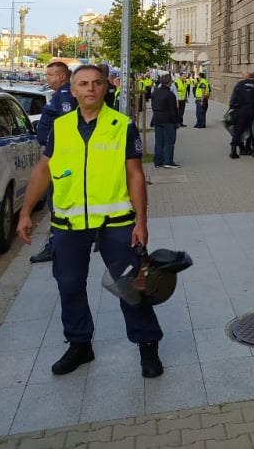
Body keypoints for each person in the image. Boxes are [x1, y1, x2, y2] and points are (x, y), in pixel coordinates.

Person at [16, 64, 164, 379]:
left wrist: (141, 221)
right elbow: (44, 170)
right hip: (70, 225)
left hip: (116, 222)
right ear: (72, 90)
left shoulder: (121, 125)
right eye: (83, 84)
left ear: (105, 88)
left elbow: (135, 175)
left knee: (130, 286)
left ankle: (147, 345)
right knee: (69, 286)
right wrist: (26, 212)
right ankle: (80, 344)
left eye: (97, 83)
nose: (91, 89)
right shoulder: (61, 126)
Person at [29, 61, 79, 264]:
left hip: (59, 158)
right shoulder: (61, 95)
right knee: (56, 203)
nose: (47, 78)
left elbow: (67, 128)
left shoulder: (66, 96)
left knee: (56, 204)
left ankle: (55, 247)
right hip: (57, 156)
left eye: (50, 75)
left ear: (62, 77)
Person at [150, 73, 181, 169]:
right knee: (169, 141)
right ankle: (168, 161)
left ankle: (158, 161)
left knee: (159, 141)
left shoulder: (155, 93)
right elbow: (173, 110)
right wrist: (177, 121)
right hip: (168, 120)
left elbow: (153, 106)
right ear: (169, 83)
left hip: (157, 119)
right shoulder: (170, 94)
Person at [227, 71, 254, 159]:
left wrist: (231, 108)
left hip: (239, 111)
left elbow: (233, 98)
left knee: (238, 131)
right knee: (253, 130)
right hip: (251, 110)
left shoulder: (238, 85)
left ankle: (233, 151)